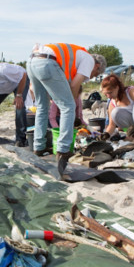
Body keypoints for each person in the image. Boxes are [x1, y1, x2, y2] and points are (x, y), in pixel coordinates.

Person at [26, 43, 106, 177]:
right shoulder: (89, 60)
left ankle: (39, 147)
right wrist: (72, 110)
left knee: (42, 106)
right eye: (94, 74)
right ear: (97, 66)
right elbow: (75, 85)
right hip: (46, 63)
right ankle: (63, 150)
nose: (90, 77)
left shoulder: (75, 58)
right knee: (68, 107)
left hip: (32, 62)